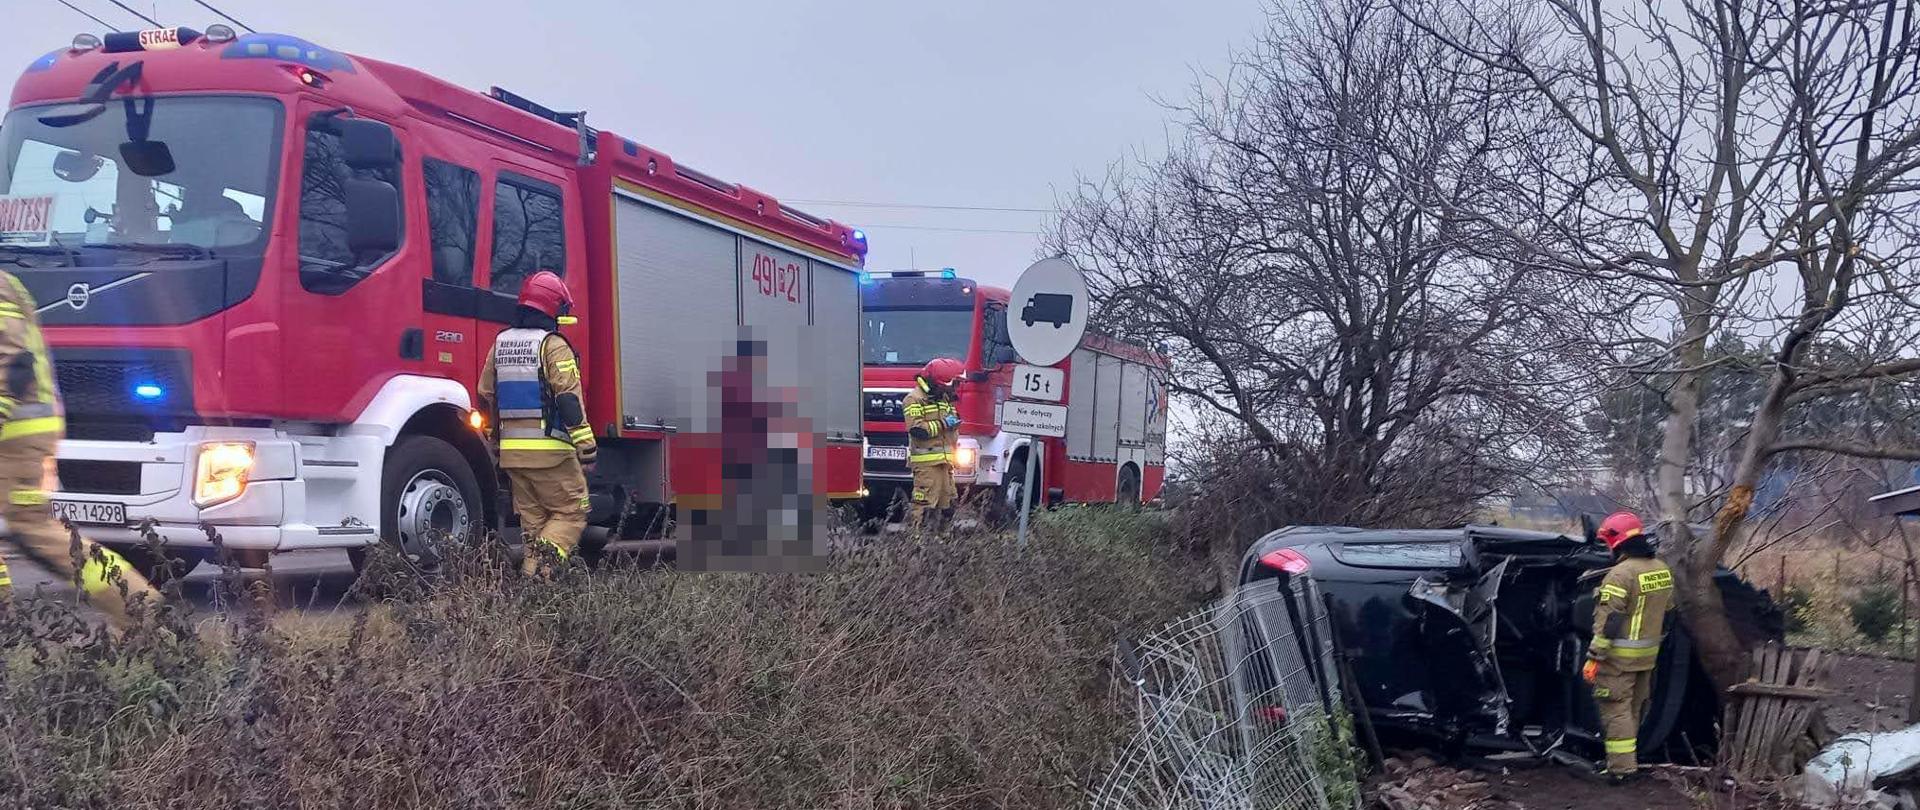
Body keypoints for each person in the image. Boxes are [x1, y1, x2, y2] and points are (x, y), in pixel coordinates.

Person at [0, 270, 160, 628]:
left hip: (15, 432)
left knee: (34, 531)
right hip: (20, 429)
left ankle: (143, 608)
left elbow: (12, 359)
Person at [478, 271, 595, 577]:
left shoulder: (500, 344)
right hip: (552, 454)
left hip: (514, 458)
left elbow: (485, 395)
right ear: (553, 307)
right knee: (572, 511)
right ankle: (540, 573)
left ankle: (535, 591)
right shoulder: (553, 345)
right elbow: (568, 399)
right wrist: (586, 445)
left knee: (535, 526)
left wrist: (494, 441)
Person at [1583, 510, 1674, 782]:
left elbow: (1609, 621)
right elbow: (1669, 611)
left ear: (1615, 540)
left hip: (1618, 658)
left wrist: (1594, 657)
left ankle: (1621, 770)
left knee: (1615, 709)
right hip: (1647, 656)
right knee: (1633, 709)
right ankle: (1625, 761)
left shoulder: (1620, 575)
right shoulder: (1660, 568)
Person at [902, 357, 964, 531]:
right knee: (924, 506)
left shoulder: (944, 399)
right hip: (927, 466)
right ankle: (917, 545)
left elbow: (953, 421)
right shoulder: (914, 399)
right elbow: (917, 430)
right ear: (942, 382)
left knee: (948, 507)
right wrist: (945, 424)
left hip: (946, 464)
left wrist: (954, 421)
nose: (956, 388)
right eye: (955, 383)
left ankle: (942, 547)